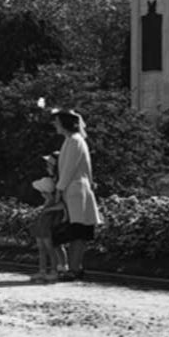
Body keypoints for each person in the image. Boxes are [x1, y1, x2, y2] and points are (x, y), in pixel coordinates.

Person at [52, 108, 102, 281]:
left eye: (57, 122)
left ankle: (74, 268)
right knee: (76, 230)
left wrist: (59, 189)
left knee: (78, 230)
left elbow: (68, 169)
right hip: (74, 189)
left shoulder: (74, 141)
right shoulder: (70, 140)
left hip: (76, 190)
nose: (55, 125)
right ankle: (75, 267)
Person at [27, 152, 70, 282]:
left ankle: (59, 269)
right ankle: (56, 269)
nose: (47, 166)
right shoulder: (54, 180)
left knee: (55, 243)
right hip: (51, 214)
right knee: (54, 244)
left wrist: (49, 208)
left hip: (54, 216)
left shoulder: (59, 181)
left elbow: (63, 203)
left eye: (49, 164)